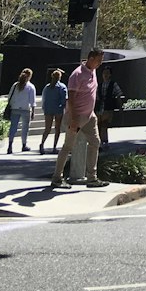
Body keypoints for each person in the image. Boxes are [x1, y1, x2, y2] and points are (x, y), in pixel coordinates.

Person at [50, 48, 108, 189]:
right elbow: (71, 98)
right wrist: (74, 119)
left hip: (89, 116)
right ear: (91, 58)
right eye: (99, 60)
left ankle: (92, 178)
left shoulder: (92, 71)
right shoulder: (77, 74)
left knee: (95, 142)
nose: (101, 63)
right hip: (76, 116)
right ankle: (57, 178)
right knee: (68, 146)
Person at [5, 68, 36, 153]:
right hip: (26, 109)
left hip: (15, 108)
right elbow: (32, 101)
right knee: (25, 128)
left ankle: (10, 145)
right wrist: (33, 111)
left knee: (13, 127)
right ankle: (24, 145)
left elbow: (9, 96)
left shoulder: (15, 85)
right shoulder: (31, 87)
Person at [95, 65, 125, 146]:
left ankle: (104, 141)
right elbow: (96, 97)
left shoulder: (113, 84)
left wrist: (120, 107)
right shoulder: (99, 85)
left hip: (108, 107)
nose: (105, 75)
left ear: (110, 74)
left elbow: (119, 95)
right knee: (98, 125)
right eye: (104, 73)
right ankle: (100, 142)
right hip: (100, 107)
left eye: (107, 73)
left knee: (105, 125)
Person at [40, 68, 67, 153]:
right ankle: (54, 147)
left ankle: (42, 143)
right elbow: (64, 99)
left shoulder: (47, 87)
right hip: (58, 109)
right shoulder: (62, 87)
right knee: (57, 129)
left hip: (48, 109)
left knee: (47, 129)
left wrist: (44, 107)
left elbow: (44, 98)